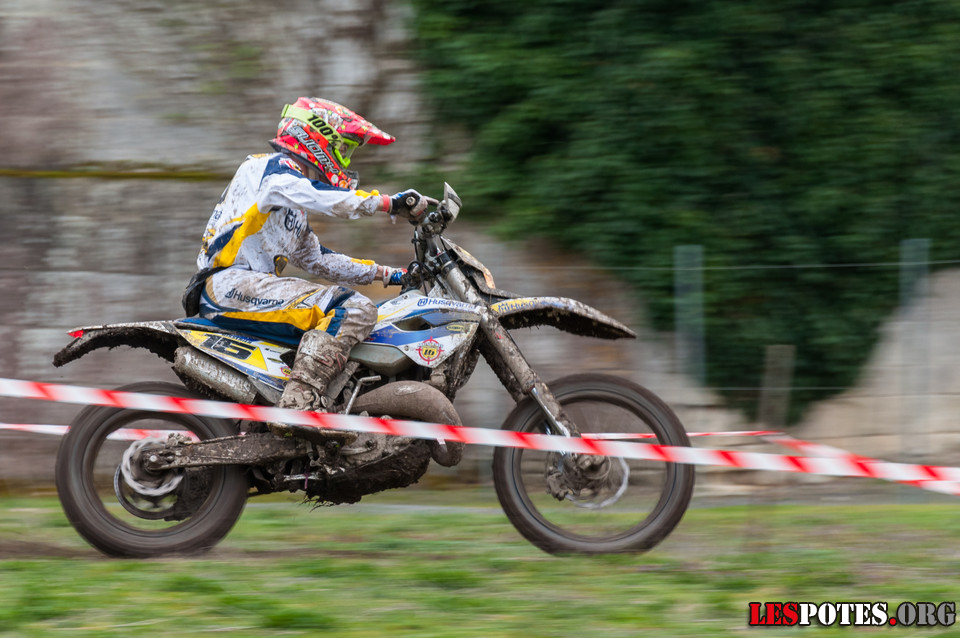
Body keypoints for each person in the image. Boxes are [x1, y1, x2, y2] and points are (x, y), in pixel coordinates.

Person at [186, 97, 428, 444]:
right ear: (316, 138)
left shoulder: (292, 205)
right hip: (229, 283)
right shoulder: (270, 169)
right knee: (354, 308)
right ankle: (299, 406)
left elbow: (319, 259)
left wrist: (391, 275)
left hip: (248, 287)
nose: (345, 159)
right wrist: (386, 203)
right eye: (343, 149)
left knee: (352, 308)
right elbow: (321, 196)